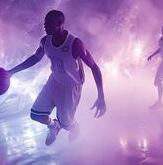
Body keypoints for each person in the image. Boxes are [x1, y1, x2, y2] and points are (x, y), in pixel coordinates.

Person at [8, 10, 106, 146]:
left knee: (67, 124)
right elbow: (35, 59)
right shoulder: (45, 41)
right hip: (54, 81)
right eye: (44, 23)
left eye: (48, 23)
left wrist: (101, 96)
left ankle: (74, 126)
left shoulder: (75, 43)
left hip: (71, 86)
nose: (44, 26)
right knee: (36, 115)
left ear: (59, 23)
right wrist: (11, 72)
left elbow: (94, 67)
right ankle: (53, 126)